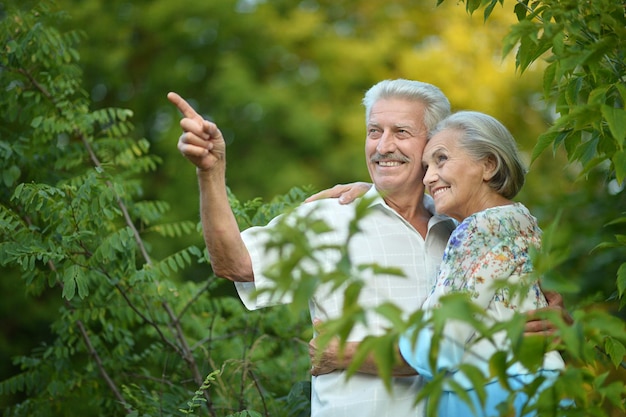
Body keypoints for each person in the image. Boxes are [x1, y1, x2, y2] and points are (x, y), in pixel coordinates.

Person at [169, 79, 566, 417]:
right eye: (374, 131)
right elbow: (234, 263)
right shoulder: (331, 218)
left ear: (433, 143)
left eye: (401, 133)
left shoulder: (460, 226)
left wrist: (550, 316)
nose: (383, 146)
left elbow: (521, 298)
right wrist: (211, 172)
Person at [311, 111, 567, 416]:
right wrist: (378, 194)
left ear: (488, 165)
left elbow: (434, 346)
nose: (428, 177)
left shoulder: (479, 229)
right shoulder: (520, 220)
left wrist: (340, 354)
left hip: (495, 395)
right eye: (426, 166)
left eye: (441, 160)